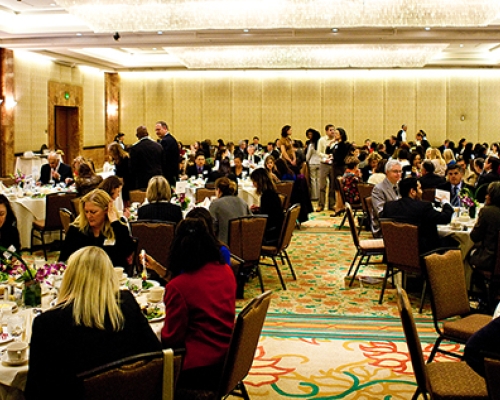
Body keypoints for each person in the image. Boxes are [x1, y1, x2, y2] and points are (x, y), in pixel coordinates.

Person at [25, 246, 161, 400]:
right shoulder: (126, 304)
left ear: (69, 277)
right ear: (109, 276)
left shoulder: (48, 324)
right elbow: (155, 355)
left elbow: (35, 390)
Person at [161, 218, 236, 391]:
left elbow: (171, 337)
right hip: (227, 356)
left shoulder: (179, 287)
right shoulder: (226, 271)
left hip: (196, 368)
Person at [59, 189, 134, 268]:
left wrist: (114, 222)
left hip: (111, 275)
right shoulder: (77, 229)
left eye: (93, 212)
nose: (88, 216)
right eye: (86, 211)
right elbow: (63, 259)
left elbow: (128, 251)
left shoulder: (118, 227)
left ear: (106, 210)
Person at [381, 177, 454, 253]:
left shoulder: (389, 206)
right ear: (412, 191)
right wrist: (445, 203)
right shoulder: (423, 207)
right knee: (453, 241)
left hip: (395, 251)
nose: (421, 192)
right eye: (420, 189)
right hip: (422, 253)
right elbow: (445, 218)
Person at [469, 182, 500, 273]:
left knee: (464, 253)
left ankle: (465, 284)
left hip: (490, 259)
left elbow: (475, 236)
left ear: (493, 196)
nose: (486, 197)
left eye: (488, 194)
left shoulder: (487, 212)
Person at [209, 177, 251, 244]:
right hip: (244, 244)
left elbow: (212, 228)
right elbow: (251, 222)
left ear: (218, 190)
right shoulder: (243, 202)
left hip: (224, 245)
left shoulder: (215, 204)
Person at [250, 168, 284, 245]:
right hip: (277, 230)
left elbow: (266, 218)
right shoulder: (271, 193)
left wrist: (253, 214)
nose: (253, 184)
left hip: (270, 235)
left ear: (259, 181)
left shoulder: (266, 196)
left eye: (254, 181)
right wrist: (259, 209)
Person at [371, 160, 402, 237]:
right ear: (387, 172)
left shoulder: (400, 187)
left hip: (399, 223)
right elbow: (381, 213)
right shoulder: (378, 189)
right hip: (384, 227)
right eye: (395, 171)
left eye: (400, 171)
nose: (398, 174)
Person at [129, 125, 164, 190]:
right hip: (158, 177)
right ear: (147, 134)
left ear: (137, 136)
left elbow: (132, 167)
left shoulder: (135, 148)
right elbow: (163, 163)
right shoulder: (158, 146)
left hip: (142, 180)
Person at [316, 124, 336, 212]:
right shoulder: (322, 140)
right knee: (322, 185)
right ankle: (321, 205)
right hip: (324, 163)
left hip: (333, 164)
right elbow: (318, 152)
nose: (333, 132)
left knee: (332, 185)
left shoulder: (336, 140)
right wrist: (326, 156)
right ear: (326, 131)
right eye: (331, 130)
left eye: (333, 130)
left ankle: (332, 204)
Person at [155, 120, 180, 186]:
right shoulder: (170, 139)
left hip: (168, 173)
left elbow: (164, 158)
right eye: (156, 130)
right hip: (173, 172)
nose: (157, 132)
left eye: (158, 130)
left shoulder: (165, 141)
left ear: (165, 128)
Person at [305, 128, 321, 201]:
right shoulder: (320, 144)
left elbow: (308, 155)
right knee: (318, 180)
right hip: (320, 162)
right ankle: (319, 195)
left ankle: (314, 196)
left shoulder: (311, 145)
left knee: (313, 180)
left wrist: (306, 161)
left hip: (312, 163)